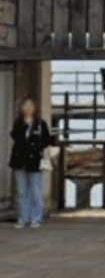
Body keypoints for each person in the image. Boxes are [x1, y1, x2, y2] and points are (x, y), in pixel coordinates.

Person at [9, 97, 55, 228]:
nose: (28, 108)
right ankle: (23, 218)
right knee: (22, 192)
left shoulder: (40, 124)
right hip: (19, 161)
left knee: (36, 191)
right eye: (25, 105)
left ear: (35, 109)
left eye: (30, 106)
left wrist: (39, 147)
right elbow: (15, 136)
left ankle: (36, 218)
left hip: (35, 161)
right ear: (22, 108)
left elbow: (47, 140)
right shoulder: (18, 123)